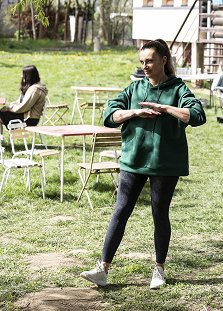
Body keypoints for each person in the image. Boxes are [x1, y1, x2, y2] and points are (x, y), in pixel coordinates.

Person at [80, 39, 206, 289]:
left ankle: (159, 269)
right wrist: (134, 112)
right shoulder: (134, 88)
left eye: (149, 61)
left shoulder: (178, 89)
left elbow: (197, 115)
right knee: (121, 210)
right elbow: (110, 116)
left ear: (163, 60)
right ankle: (102, 269)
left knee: (160, 214)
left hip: (164, 164)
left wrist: (165, 108)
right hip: (133, 161)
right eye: (142, 62)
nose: (145, 66)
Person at [0, 65, 48, 130]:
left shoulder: (34, 90)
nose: (21, 76)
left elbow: (24, 107)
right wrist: (10, 107)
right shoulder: (31, 88)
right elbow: (19, 102)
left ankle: (1, 138)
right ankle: (1, 138)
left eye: (23, 74)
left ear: (29, 76)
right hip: (23, 115)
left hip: (29, 119)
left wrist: (9, 109)